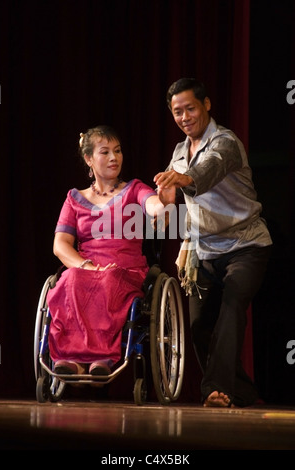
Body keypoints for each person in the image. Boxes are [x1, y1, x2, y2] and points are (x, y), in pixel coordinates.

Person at [154, 78, 273, 407]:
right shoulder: (179, 152)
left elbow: (206, 172)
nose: (184, 116)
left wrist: (183, 179)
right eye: (177, 112)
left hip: (246, 246)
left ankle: (216, 390)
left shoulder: (225, 143)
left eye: (190, 108)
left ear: (206, 105)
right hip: (203, 253)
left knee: (232, 307)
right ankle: (247, 398)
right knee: (199, 327)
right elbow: (165, 193)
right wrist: (162, 200)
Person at [47, 125, 175, 376]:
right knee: (70, 278)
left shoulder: (135, 189)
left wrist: (165, 203)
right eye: (105, 152)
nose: (114, 158)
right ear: (89, 159)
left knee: (109, 278)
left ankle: (102, 357)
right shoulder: (74, 198)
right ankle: (71, 358)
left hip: (125, 271)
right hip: (86, 269)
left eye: (117, 151)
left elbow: (154, 208)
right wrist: (87, 266)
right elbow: (60, 245)